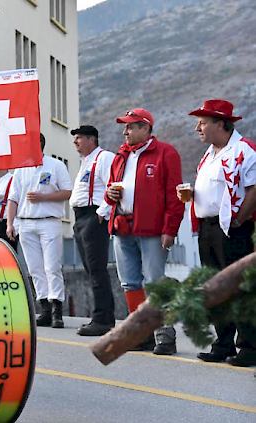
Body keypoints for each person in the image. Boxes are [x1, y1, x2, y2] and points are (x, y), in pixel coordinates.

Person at [105, 108, 184, 355]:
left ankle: (165, 335)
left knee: (155, 282)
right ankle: (141, 334)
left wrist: (170, 229)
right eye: (125, 127)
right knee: (129, 282)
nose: (124, 131)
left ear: (146, 128)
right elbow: (110, 191)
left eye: (130, 127)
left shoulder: (166, 153)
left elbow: (175, 196)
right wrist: (110, 195)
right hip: (122, 227)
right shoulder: (120, 156)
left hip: (151, 230)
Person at [184, 99, 256, 367]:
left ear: (220, 123)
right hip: (208, 228)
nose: (197, 128)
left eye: (202, 122)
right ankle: (223, 343)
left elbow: (253, 189)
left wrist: (239, 220)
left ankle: (248, 347)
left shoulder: (244, 150)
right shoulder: (210, 154)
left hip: (231, 230)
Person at [6, 134, 73, 328]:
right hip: (26, 222)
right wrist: (10, 223)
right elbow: (14, 198)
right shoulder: (21, 169)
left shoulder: (55, 165)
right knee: (34, 268)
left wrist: (44, 197)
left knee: (52, 266)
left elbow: (67, 192)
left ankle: (57, 310)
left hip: (49, 221)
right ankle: (43, 308)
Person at [69, 126, 116, 336]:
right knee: (91, 270)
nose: (75, 141)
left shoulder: (104, 158)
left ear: (92, 139)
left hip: (92, 217)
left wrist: (102, 213)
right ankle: (103, 317)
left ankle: (102, 320)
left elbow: (113, 186)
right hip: (81, 218)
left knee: (97, 269)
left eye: (79, 138)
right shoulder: (85, 162)